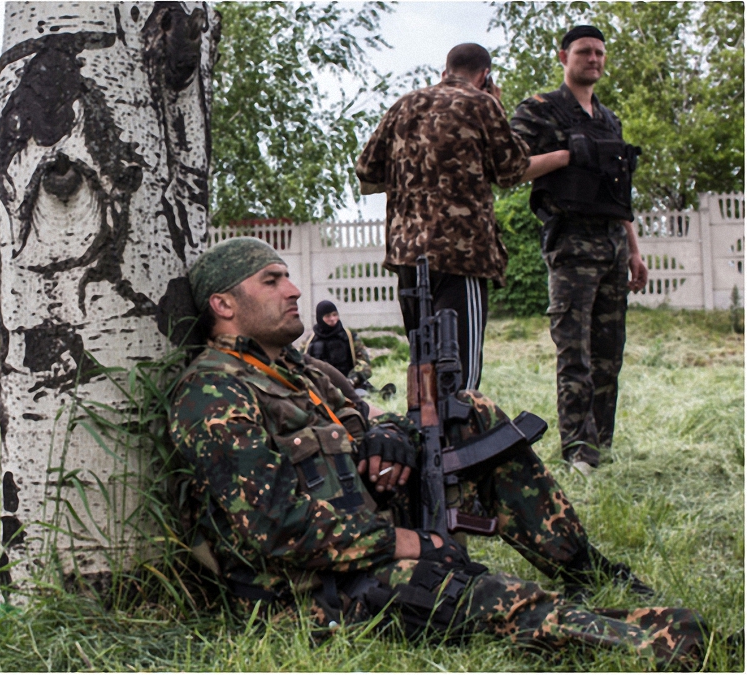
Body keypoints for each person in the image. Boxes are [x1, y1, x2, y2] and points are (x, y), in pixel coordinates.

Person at [169, 237, 706, 668]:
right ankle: (666, 644)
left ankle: (584, 568)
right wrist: (414, 542)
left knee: (470, 414)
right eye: (272, 280)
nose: (293, 290)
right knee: (486, 597)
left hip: (368, 522)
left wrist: (392, 435)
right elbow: (277, 528)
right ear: (223, 304)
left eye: (287, 275)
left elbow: (358, 423)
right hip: (313, 586)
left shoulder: (301, 370)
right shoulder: (214, 392)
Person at [356, 43, 571, 390]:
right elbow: (512, 168)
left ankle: (428, 440)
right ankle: (459, 439)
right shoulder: (482, 103)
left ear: (445, 72)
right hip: (462, 255)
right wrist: (500, 110)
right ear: (485, 76)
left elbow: (366, 168)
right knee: (460, 376)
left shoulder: (404, 105)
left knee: (423, 371)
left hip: (408, 256)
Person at [510, 26, 648, 476]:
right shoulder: (541, 110)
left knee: (610, 354)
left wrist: (634, 250)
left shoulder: (609, 119)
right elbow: (510, 168)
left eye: (600, 53)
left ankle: (601, 447)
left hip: (610, 243)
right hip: (571, 244)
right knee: (576, 354)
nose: (594, 60)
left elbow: (619, 191)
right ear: (563, 56)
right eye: (585, 52)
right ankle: (578, 452)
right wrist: (567, 155)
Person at [303, 300, 372, 395]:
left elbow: (365, 365)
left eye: (335, 315)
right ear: (320, 318)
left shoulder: (350, 337)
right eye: (327, 316)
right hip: (321, 390)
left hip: (351, 387)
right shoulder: (309, 341)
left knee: (361, 395)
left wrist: (352, 380)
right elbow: (300, 365)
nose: (332, 319)